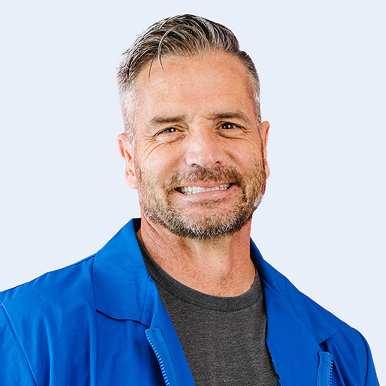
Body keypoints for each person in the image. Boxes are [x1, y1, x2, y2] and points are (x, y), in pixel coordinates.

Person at [0, 14, 379, 386]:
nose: (203, 155)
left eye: (228, 125)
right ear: (130, 159)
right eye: (169, 129)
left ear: (263, 147)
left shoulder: (344, 355)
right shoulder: (26, 331)